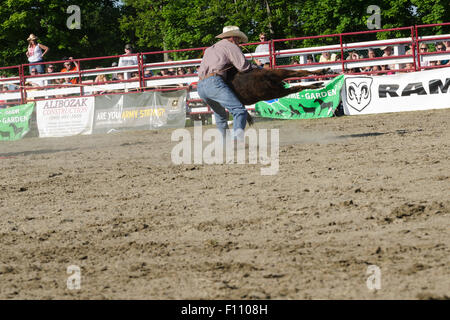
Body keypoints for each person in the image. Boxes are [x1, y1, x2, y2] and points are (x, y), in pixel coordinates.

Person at [197, 25, 254, 141]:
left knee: (220, 115)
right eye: (238, 39)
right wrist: (257, 68)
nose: (238, 42)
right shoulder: (231, 46)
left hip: (201, 86)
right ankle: (236, 141)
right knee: (239, 111)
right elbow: (244, 67)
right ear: (233, 37)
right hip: (214, 82)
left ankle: (225, 144)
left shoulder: (210, 49)